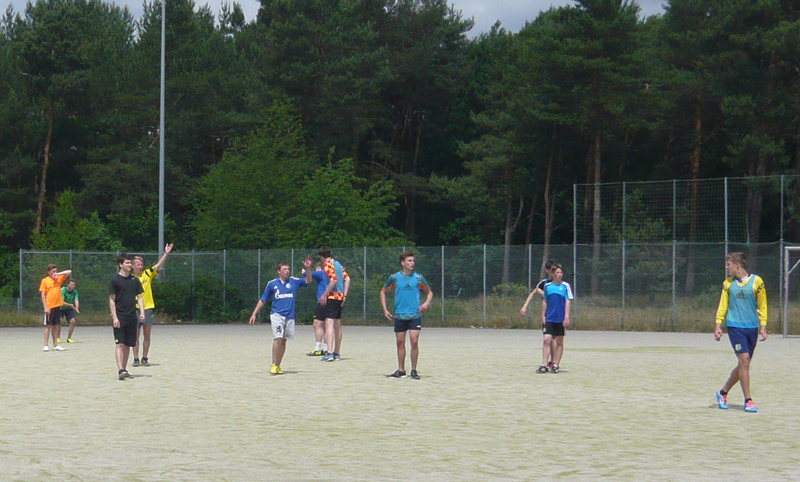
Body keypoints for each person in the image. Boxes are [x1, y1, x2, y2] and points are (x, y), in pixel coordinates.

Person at [713, 252, 767, 413]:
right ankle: (748, 400)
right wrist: (718, 325)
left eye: (728, 264)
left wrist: (763, 325)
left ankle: (722, 393)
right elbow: (723, 305)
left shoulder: (757, 282)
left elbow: (763, 305)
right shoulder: (728, 284)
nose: (726, 267)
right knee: (744, 361)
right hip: (735, 327)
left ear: (737, 265)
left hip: (751, 328)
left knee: (744, 364)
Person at [249, 257, 313, 375]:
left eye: (288, 269)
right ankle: (274, 364)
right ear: (279, 271)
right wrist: (254, 313)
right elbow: (263, 299)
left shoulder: (293, 281)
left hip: (289, 317)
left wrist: (308, 269)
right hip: (277, 315)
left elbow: (308, 280)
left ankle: (278, 364)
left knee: (283, 341)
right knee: (278, 338)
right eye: (284, 269)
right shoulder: (272, 284)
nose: (287, 271)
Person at [380, 251, 433, 380]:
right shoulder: (394, 278)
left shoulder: (418, 278)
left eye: (413, 261)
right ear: (402, 263)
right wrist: (385, 310)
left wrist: (426, 304)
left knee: (414, 341)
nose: (412, 263)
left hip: (414, 315)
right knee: (400, 342)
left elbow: (429, 292)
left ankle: (414, 370)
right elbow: (383, 292)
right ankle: (401, 370)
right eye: (409, 261)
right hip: (400, 314)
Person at [132, 243, 173, 367]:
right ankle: (135, 358)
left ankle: (145, 357)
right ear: (132, 266)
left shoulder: (147, 274)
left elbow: (158, 265)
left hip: (148, 308)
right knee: (135, 335)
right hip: (135, 308)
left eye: (141, 264)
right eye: (138, 265)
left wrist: (166, 253)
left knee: (147, 334)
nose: (140, 267)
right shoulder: (129, 278)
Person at [109, 254, 146, 380]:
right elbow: (112, 300)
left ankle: (124, 369)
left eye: (130, 263)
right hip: (120, 316)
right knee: (119, 344)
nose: (130, 265)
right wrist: (115, 317)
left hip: (132, 316)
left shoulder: (134, 280)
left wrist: (142, 313)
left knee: (128, 345)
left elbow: (140, 297)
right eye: (127, 263)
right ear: (120, 264)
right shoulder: (115, 280)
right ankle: (120, 369)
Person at [520, 260, 558, 368]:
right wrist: (525, 306)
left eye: (555, 270)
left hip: (556, 314)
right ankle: (549, 362)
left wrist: (544, 293)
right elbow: (533, 292)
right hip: (547, 315)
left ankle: (554, 362)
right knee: (548, 338)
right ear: (547, 270)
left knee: (554, 339)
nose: (554, 272)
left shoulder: (558, 283)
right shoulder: (544, 283)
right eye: (552, 270)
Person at [538, 263, 573, 374]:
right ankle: (544, 365)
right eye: (557, 272)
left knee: (559, 341)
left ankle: (556, 364)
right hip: (550, 318)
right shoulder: (547, 286)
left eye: (561, 273)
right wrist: (543, 315)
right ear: (552, 274)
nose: (559, 274)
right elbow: (545, 301)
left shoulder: (565, 286)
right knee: (546, 339)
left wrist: (566, 317)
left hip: (560, 319)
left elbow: (567, 302)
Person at [318, 247, 351, 362]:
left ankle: (329, 352)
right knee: (337, 324)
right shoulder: (338, 264)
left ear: (321, 257)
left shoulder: (327, 264)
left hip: (332, 296)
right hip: (340, 297)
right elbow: (347, 279)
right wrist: (344, 295)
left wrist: (324, 295)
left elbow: (334, 280)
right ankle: (337, 352)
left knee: (329, 323)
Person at [39, 264, 72, 352]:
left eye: (56, 271)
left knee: (55, 326)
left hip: (57, 305)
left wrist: (58, 274)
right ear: (48, 272)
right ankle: (46, 345)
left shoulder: (58, 278)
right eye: (53, 271)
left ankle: (56, 345)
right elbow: (43, 294)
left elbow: (69, 272)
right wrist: (45, 307)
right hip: (49, 306)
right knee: (48, 326)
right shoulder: (45, 280)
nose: (55, 273)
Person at [305, 262, 329, 356]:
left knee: (317, 324)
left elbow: (307, 274)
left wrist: (304, 271)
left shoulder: (321, 273)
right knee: (326, 326)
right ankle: (327, 348)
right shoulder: (329, 276)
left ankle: (318, 348)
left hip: (321, 302)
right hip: (330, 302)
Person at [60, 279, 80, 343]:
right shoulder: (63, 290)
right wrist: (70, 305)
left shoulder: (75, 292)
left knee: (73, 321)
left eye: (74, 285)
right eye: (71, 284)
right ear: (68, 284)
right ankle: (57, 337)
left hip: (69, 309)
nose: (73, 286)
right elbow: (61, 302)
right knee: (59, 321)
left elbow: (76, 300)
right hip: (60, 308)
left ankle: (69, 338)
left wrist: (77, 308)